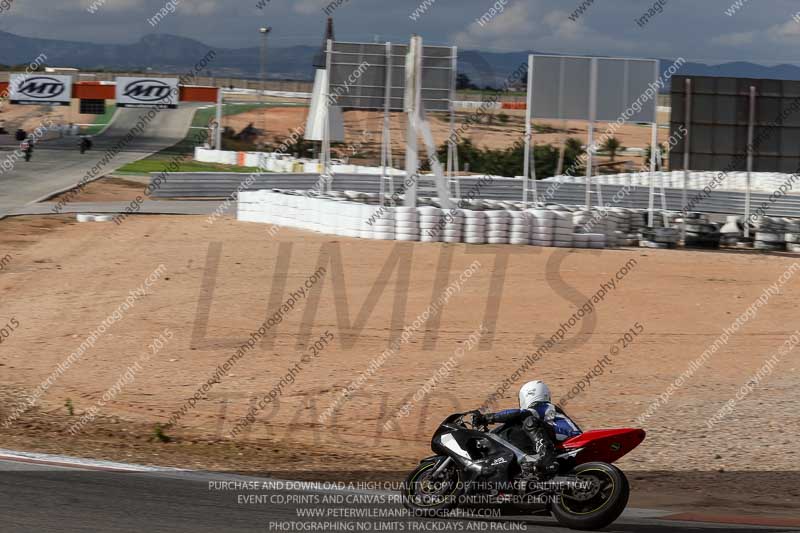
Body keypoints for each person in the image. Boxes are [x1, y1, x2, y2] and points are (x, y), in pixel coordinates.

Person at [474, 381, 581, 477]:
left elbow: (519, 413)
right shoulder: (546, 411)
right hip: (562, 437)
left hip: (570, 436)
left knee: (530, 422)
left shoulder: (543, 406)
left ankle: (547, 460)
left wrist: (488, 418)